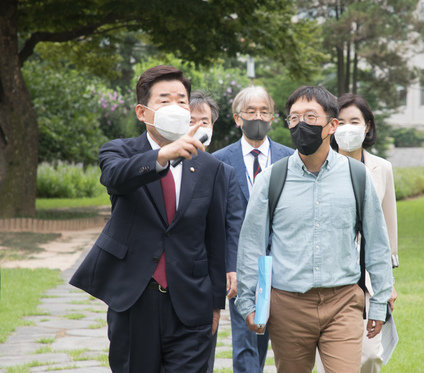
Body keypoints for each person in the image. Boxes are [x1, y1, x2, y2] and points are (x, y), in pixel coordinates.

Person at [70, 65, 228, 373]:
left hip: (190, 301)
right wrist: (163, 156)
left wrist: (215, 302)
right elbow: (115, 178)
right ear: (143, 112)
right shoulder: (120, 151)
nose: (176, 107)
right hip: (135, 299)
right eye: (164, 100)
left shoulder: (211, 167)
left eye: (182, 100)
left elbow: (215, 238)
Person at [235, 86, 394, 373]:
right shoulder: (271, 179)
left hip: (343, 302)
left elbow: (377, 244)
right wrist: (248, 303)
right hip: (288, 305)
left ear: (332, 125)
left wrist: (380, 302)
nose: (301, 125)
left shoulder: (357, 176)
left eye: (310, 116)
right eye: (294, 118)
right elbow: (251, 245)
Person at [315, 93, 400, 373]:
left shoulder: (381, 168)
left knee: (370, 356)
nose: (349, 128)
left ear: (367, 127)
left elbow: (387, 230)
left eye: (356, 121)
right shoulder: (318, 167)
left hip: (369, 277)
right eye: (343, 121)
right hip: (328, 273)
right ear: (332, 125)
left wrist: (388, 282)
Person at [213, 86, 293, 373]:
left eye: (264, 111)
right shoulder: (220, 161)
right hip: (241, 265)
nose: (257, 117)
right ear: (237, 118)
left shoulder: (290, 159)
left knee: (278, 343)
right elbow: (218, 220)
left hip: (284, 264)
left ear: (272, 117)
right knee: (245, 342)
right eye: (251, 112)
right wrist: (226, 265)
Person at [187, 90, 245, 373]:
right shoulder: (161, 165)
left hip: (207, 276)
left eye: (205, 121)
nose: (199, 127)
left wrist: (230, 268)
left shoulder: (223, 172)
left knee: (202, 354)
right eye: (191, 120)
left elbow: (233, 224)